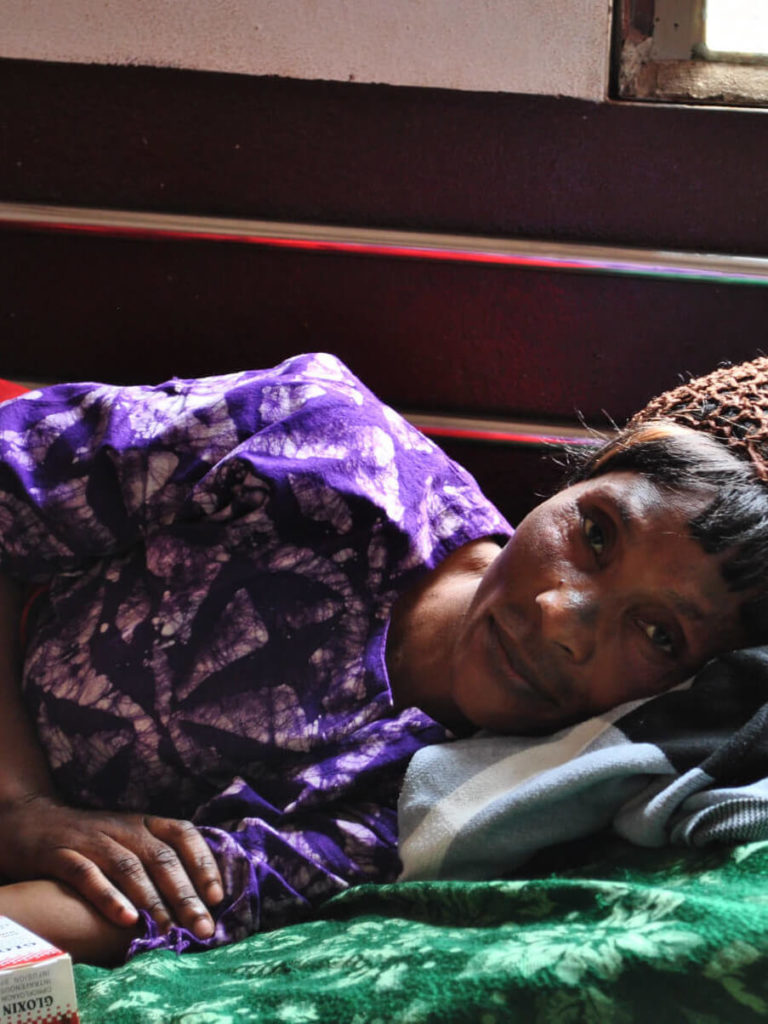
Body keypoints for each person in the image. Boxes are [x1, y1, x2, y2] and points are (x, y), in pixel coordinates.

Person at [0, 351, 766, 966]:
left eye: (659, 634)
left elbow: (157, 904)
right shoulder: (320, 439)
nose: (561, 618)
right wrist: (20, 806)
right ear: (584, 476)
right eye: (595, 533)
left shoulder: (453, 804)